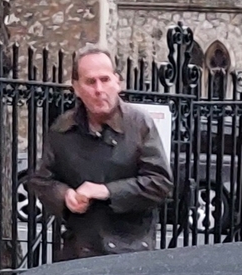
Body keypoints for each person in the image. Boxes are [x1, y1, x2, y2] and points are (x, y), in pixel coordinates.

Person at [25, 47, 173, 263]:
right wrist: (65, 196)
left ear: (118, 82)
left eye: (105, 79)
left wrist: (106, 191)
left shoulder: (139, 124)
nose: (99, 89)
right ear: (76, 87)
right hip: (78, 252)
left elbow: (160, 184)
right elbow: (42, 180)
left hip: (130, 253)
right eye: (90, 81)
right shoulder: (63, 129)